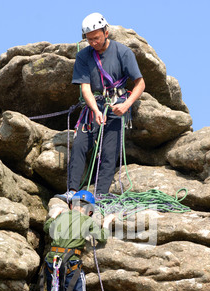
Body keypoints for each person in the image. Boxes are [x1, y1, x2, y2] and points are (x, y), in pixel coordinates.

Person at [56, 12, 145, 202]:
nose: (93, 43)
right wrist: (95, 111)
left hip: (116, 107)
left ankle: (101, 194)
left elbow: (140, 83)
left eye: (96, 38)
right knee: (79, 144)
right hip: (92, 108)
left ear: (106, 32)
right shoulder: (83, 56)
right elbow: (85, 88)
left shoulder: (123, 52)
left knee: (109, 149)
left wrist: (127, 105)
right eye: (89, 39)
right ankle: (72, 191)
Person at [41, 189, 115, 291]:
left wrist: (53, 217)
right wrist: (106, 222)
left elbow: (46, 228)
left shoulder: (61, 217)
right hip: (71, 263)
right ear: (89, 211)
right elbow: (102, 237)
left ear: (70, 206)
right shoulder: (87, 220)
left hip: (52, 263)